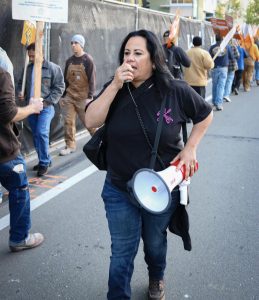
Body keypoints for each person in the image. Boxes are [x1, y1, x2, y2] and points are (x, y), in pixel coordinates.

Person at [85, 29, 213, 300]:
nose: (130, 59)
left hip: (160, 190)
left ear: (154, 60)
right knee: (122, 251)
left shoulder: (175, 89)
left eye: (138, 53)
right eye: (126, 53)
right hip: (119, 188)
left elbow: (205, 114)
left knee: (154, 244)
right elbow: (91, 121)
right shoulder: (116, 88)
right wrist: (114, 86)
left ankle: (156, 276)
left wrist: (190, 148)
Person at [0, 66, 44, 252]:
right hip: (4, 153)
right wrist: (32, 107)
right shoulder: (1, 74)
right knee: (19, 189)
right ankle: (20, 238)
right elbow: (8, 113)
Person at [18, 43, 65, 176]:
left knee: (41, 132)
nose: (30, 58)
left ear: (41, 53)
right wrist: (21, 93)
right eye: (29, 56)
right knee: (35, 135)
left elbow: (60, 87)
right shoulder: (28, 69)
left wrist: (46, 102)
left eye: (33, 56)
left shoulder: (52, 68)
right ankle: (44, 159)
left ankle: (44, 163)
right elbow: (21, 83)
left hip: (46, 107)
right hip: (31, 107)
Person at [59, 34, 96, 156]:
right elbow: (65, 79)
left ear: (81, 45)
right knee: (68, 122)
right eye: (72, 43)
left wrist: (90, 97)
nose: (73, 45)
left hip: (83, 97)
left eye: (76, 43)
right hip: (70, 96)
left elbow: (92, 79)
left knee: (88, 122)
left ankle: (99, 141)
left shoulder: (87, 60)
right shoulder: (69, 61)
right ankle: (70, 145)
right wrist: (63, 96)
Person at [209, 34, 234, 111]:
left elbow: (209, 57)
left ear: (215, 39)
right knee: (221, 86)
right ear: (222, 39)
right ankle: (219, 104)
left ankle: (214, 102)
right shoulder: (227, 47)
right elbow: (232, 57)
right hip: (224, 68)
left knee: (215, 85)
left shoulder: (212, 47)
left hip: (214, 68)